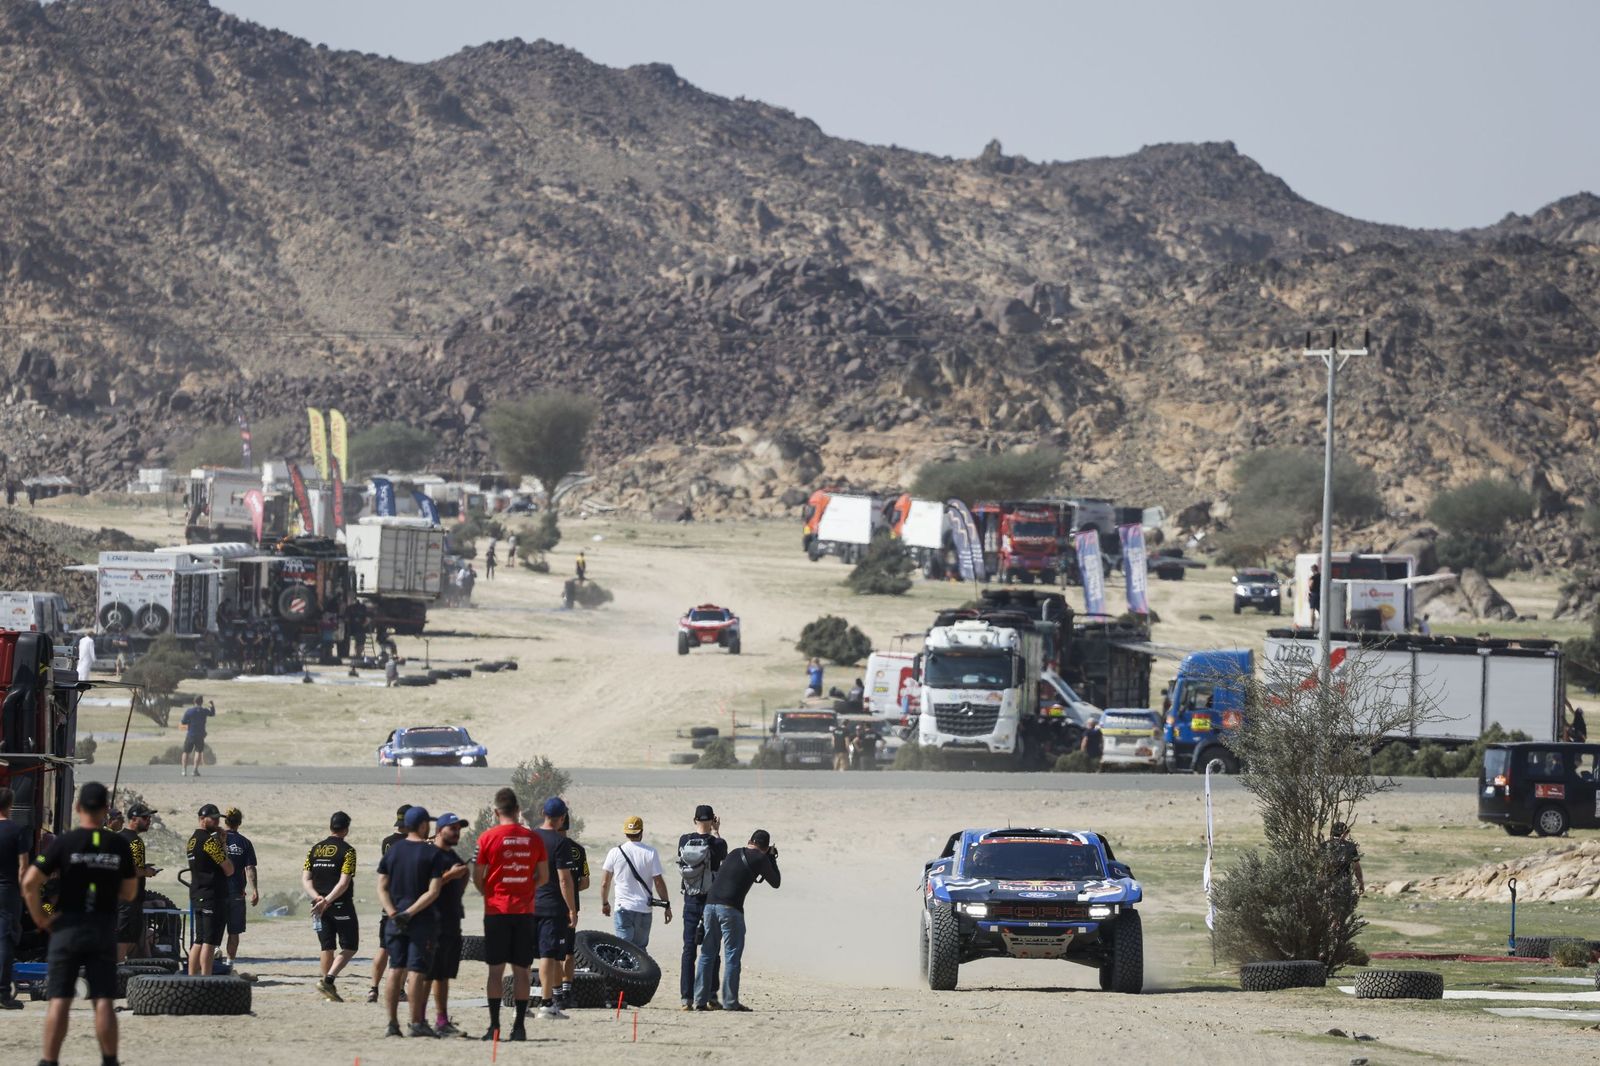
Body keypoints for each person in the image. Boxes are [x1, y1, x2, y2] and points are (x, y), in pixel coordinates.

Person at [23, 782, 136, 1066]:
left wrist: (40, 918)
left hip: (66, 928)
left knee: (59, 999)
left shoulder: (65, 842)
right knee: (103, 1000)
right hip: (101, 928)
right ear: (106, 810)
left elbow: (29, 882)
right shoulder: (118, 844)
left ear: (77, 808)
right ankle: (109, 1060)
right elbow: (130, 892)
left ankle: (49, 1061)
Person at [472, 787, 548, 1042]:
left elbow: (477, 877)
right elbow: (544, 876)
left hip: (496, 911)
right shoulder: (533, 838)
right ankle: (519, 1027)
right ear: (517, 810)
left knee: (495, 972)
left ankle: (494, 1026)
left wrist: (490, 893)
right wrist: (527, 887)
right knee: (522, 972)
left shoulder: (487, 837)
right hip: (524, 911)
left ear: (496, 811)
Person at [376, 806, 449, 1038]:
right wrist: (410, 913)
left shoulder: (392, 852)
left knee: (395, 969)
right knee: (416, 971)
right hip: (420, 920)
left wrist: (393, 912)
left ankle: (392, 1023)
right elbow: (434, 891)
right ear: (423, 825)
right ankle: (416, 1022)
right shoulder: (432, 854)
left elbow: (381, 886)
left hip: (394, 919)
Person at [694, 829, 781, 1012]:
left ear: (749, 840)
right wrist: (772, 858)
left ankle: (699, 1000)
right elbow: (776, 882)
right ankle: (730, 1002)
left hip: (710, 906)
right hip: (730, 909)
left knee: (707, 954)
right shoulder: (761, 857)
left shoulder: (735, 852)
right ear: (765, 847)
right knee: (732, 956)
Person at [531, 798, 580, 1019]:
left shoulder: (530, 837)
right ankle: (546, 1003)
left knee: (524, 956)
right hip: (551, 906)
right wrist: (572, 909)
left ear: (543, 812)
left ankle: (521, 1007)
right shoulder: (561, 843)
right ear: (562, 818)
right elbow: (564, 881)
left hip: (529, 903)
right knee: (548, 956)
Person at [303, 810, 359, 1002]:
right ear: (346, 829)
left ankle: (327, 990)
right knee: (350, 946)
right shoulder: (349, 851)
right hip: (339, 904)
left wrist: (318, 898)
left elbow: (305, 879)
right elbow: (343, 883)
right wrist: (327, 901)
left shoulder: (314, 849)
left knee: (326, 947)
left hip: (318, 905)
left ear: (330, 826)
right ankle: (328, 980)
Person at [676, 805, 728, 1010]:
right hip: (711, 901)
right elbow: (721, 858)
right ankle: (710, 996)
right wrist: (716, 831)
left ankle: (686, 998)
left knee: (689, 949)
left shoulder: (684, 840)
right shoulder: (718, 843)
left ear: (695, 819)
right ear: (712, 819)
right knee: (711, 949)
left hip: (690, 900)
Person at [427, 813, 472, 1037]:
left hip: (451, 921)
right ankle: (419, 1020)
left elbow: (457, 890)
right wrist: (450, 875)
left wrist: (463, 877)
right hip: (433, 923)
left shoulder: (452, 855)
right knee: (427, 973)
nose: (456, 832)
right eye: (451, 828)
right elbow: (425, 888)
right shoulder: (430, 855)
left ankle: (441, 1020)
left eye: (458, 829)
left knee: (443, 974)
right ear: (439, 830)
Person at [600, 816, 671, 950]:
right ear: (641, 832)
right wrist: (666, 905)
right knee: (640, 951)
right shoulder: (651, 852)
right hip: (644, 908)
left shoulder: (614, 852)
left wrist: (605, 903)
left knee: (623, 950)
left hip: (623, 908)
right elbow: (658, 882)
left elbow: (605, 882)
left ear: (626, 833)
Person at [368, 804, 412, 1003]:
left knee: (383, 948)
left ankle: (373, 989)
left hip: (389, 899)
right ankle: (400, 991)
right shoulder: (414, 843)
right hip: (407, 901)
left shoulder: (387, 842)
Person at [186, 803, 234, 975]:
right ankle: (207, 977)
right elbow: (229, 869)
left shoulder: (192, 840)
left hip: (197, 892)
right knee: (209, 940)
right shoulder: (208, 842)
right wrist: (222, 844)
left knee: (199, 939)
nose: (215, 821)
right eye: (211, 818)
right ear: (201, 819)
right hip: (211, 895)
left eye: (217, 818)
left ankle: (192, 976)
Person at [115, 803, 157, 965]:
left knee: (135, 935)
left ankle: (139, 969)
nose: (149, 821)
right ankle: (119, 972)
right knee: (124, 936)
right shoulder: (135, 842)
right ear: (133, 819)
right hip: (129, 899)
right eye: (145, 818)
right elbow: (133, 870)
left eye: (150, 818)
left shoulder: (117, 837)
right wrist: (148, 872)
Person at [558, 809, 590, 1009]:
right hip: (572, 909)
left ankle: (551, 994)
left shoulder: (545, 845)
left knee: (550, 953)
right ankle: (567, 992)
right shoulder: (578, 850)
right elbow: (585, 882)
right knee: (568, 952)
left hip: (548, 906)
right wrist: (570, 889)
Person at [221, 807, 259, 972]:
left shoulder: (216, 840)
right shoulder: (244, 842)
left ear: (225, 821)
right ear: (240, 822)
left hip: (216, 892)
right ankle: (229, 965)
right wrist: (255, 890)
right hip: (236, 892)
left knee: (214, 928)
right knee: (233, 931)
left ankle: (213, 958)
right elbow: (250, 868)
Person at [0, 787, 25, 1009]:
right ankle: (2, 993)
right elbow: (23, 867)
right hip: (8, 891)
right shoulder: (17, 831)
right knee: (5, 939)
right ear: (11, 804)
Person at [179, 696, 216, 777]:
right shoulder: (204, 711)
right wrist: (212, 705)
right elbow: (212, 714)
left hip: (191, 734)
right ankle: (195, 770)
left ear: (194, 702)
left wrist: (189, 723)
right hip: (200, 735)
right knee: (198, 752)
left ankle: (184, 771)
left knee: (186, 752)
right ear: (201, 702)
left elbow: (183, 722)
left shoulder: (189, 711)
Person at [1326, 821, 1365, 896]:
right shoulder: (1350, 847)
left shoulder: (1325, 846)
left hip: (1327, 884)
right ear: (1345, 833)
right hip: (1344, 884)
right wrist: (1361, 882)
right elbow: (1356, 867)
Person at [1307, 563, 1322, 628]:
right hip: (1320, 594)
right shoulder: (1321, 576)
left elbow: (1310, 585)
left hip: (1314, 594)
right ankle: (1322, 624)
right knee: (1320, 610)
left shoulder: (1313, 577)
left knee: (1312, 610)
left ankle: (1312, 625)